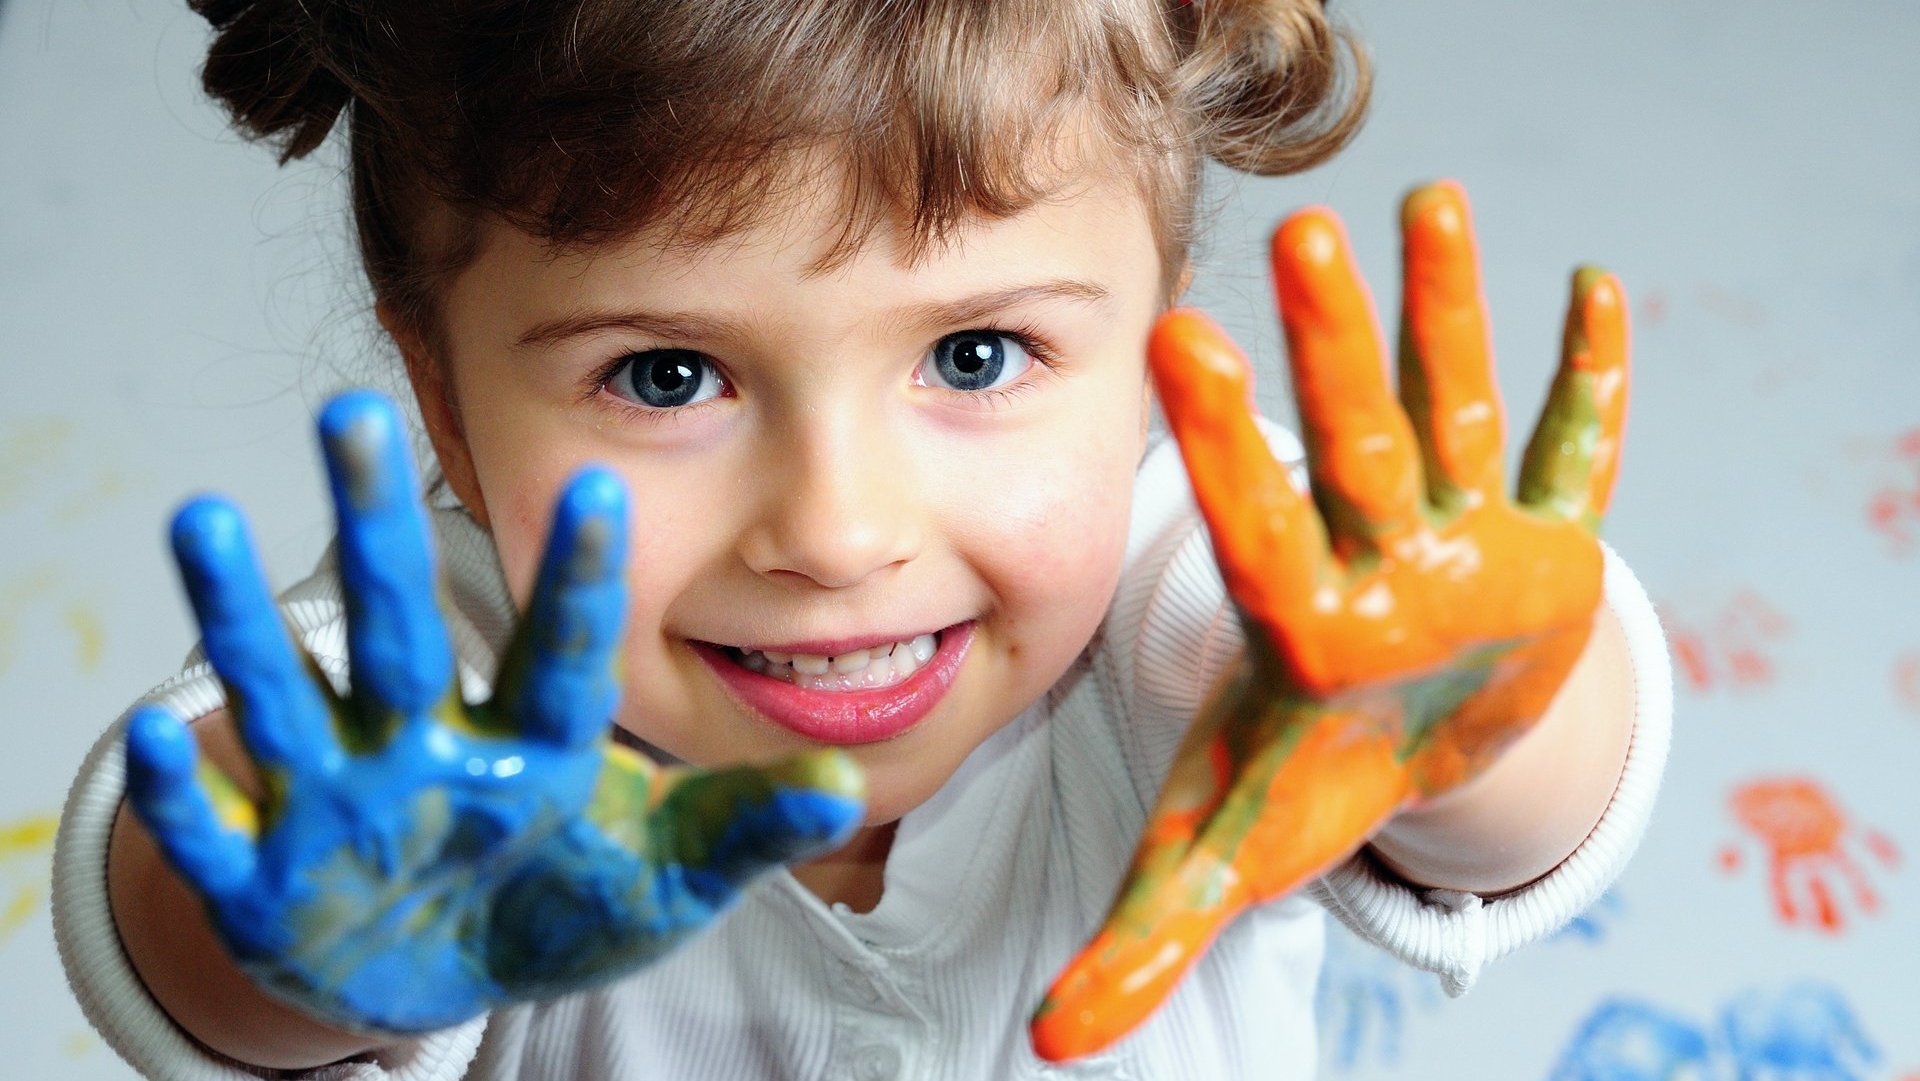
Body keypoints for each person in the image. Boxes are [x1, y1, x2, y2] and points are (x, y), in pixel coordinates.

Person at [52, 0, 1672, 1078]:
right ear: (447, 399)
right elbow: (182, 890)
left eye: (976, 357)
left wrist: (1479, 715)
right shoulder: (456, 702)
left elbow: (1509, 816)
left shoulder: (1211, 597)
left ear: (1147, 351)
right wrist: (300, 925)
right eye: (666, 375)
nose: (835, 531)